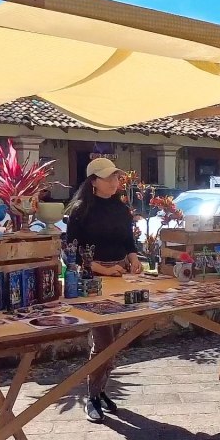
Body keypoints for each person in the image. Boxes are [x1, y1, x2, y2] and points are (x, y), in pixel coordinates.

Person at [65, 157, 141, 423]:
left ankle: (100, 390)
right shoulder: (80, 210)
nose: (114, 182)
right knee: (104, 341)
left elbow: (128, 241)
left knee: (115, 340)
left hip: (121, 276)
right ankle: (93, 396)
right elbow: (71, 251)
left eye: (116, 177)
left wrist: (133, 259)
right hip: (93, 279)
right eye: (108, 177)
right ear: (93, 181)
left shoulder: (121, 208)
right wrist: (101, 269)